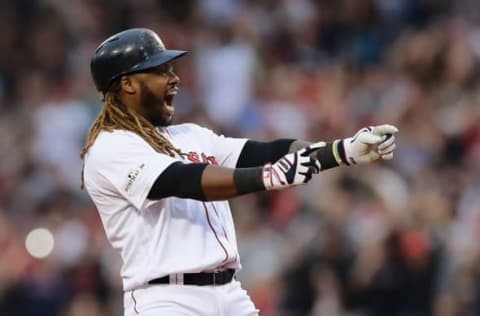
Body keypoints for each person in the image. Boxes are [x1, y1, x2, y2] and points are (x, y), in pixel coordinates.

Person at [80, 28, 398, 316]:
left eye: (171, 69)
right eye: (160, 70)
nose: (174, 78)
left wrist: (339, 152)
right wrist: (269, 176)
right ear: (127, 83)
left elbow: (261, 152)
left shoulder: (189, 135)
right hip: (166, 299)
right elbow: (184, 180)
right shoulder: (110, 147)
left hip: (229, 292)